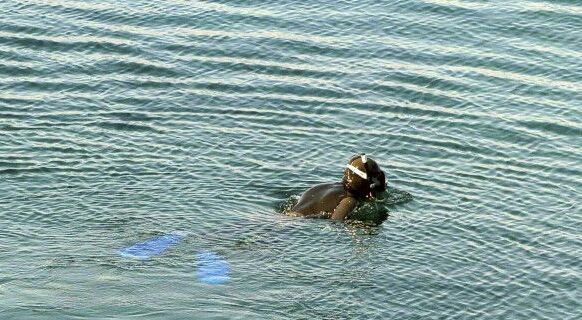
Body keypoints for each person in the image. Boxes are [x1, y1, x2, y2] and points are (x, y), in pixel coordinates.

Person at [289, 154, 387, 221]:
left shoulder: (324, 186)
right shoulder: (350, 200)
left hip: (286, 217)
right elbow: (336, 221)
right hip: (295, 224)